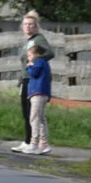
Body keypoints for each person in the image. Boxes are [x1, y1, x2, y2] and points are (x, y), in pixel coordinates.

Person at [11, 11, 54, 153]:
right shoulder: (29, 41)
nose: (28, 27)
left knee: (33, 113)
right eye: (25, 24)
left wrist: (34, 62)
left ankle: (34, 142)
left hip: (33, 80)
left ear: (36, 26)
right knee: (27, 112)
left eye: (31, 24)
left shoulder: (38, 39)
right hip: (26, 78)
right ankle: (29, 140)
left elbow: (49, 53)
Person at [23, 44, 52, 155]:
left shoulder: (39, 62)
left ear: (37, 54)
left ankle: (34, 143)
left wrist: (29, 66)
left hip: (38, 93)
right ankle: (43, 143)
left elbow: (33, 73)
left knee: (34, 118)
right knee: (40, 118)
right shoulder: (44, 63)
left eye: (30, 55)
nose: (29, 58)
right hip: (42, 93)